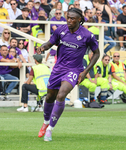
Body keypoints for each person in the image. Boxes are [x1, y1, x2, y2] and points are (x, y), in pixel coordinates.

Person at [37, 8, 100, 141]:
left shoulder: (87, 35)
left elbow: (97, 53)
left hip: (74, 70)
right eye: (68, 17)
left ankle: (50, 130)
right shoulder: (61, 30)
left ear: (79, 20)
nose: (69, 20)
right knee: (49, 97)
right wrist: (43, 47)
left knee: (61, 95)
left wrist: (85, 71)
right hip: (58, 68)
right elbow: (50, 43)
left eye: (72, 18)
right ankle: (46, 122)